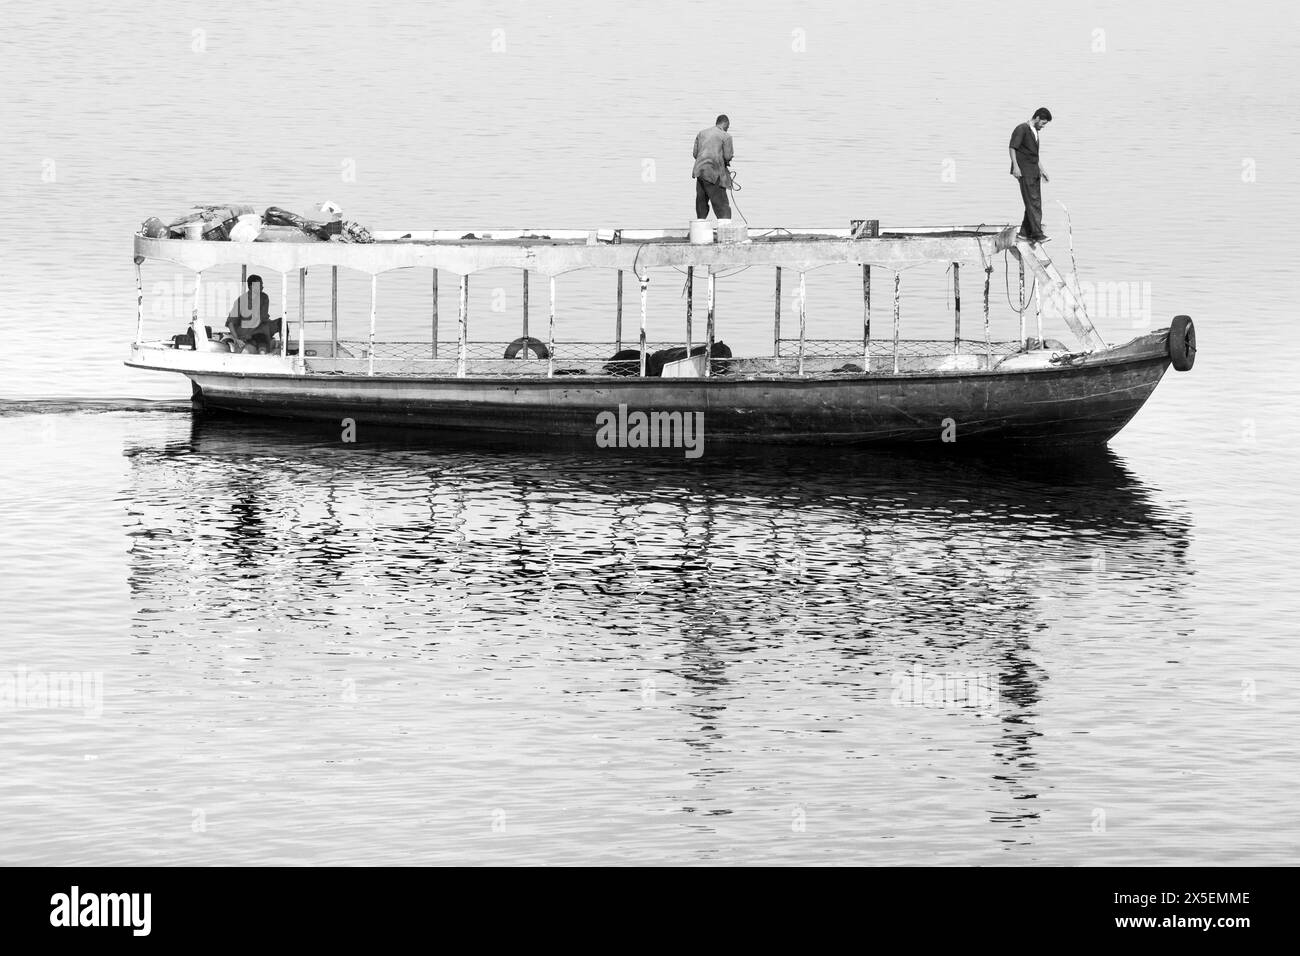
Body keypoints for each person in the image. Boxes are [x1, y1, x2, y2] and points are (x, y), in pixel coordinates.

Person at [1009, 107, 1052, 243]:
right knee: (1033, 203)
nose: (1043, 126)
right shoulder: (1022, 129)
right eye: (1043, 123)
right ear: (1037, 118)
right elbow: (1012, 147)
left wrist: (1042, 170)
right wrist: (1015, 166)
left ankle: (1024, 233)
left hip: (1034, 171)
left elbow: (1033, 154)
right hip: (1024, 171)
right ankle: (1036, 234)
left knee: (1034, 202)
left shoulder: (1034, 131)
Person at [224, 274, 281, 353]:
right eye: (260, 285)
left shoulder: (264, 297)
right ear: (251, 287)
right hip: (248, 332)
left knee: (282, 322)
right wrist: (237, 339)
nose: (262, 287)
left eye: (262, 285)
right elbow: (231, 323)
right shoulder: (241, 301)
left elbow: (263, 317)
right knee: (260, 342)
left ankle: (284, 348)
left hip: (263, 327)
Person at [692, 114, 734, 219]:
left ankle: (700, 228)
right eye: (728, 127)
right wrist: (727, 160)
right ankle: (726, 229)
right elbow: (727, 156)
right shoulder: (725, 136)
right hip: (713, 172)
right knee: (721, 203)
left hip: (699, 171)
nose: (727, 129)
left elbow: (695, 154)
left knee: (701, 201)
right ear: (725, 123)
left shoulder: (702, 133)